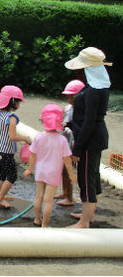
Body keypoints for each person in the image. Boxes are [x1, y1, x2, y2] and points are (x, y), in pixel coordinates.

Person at [64, 47, 112, 228]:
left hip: (90, 139)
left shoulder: (93, 91)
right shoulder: (97, 88)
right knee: (92, 175)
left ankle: (84, 222)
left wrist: (78, 147)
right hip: (94, 137)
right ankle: (88, 214)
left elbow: (89, 121)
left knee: (86, 179)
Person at [24, 104, 76, 227]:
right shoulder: (62, 140)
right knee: (48, 200)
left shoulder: (38, 137)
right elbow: (67, 160)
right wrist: (71, 175)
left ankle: (37, 219)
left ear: (43, 120)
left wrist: (29, 169)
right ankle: (45, 225)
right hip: (53, 173)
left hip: (40, 171)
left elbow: (32, 155)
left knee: (39, 196)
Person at [0, 85, 33, 208]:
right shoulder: (11, 118)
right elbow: (12, 137)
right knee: (12, 176)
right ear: (12, 102)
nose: (19, 104)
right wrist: (25, 138)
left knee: (1, 174)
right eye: (18, 101)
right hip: (4, 151)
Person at [55, 79, 85, 207]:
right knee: (63, 171)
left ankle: (70, 197)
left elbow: (80, 128)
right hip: (65, 143)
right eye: (68, 96)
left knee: (68, 171)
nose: (69, 99)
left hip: (73, 146)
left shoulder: (82, 111)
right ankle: (64, 191)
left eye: (72, 96)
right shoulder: (68, 108)